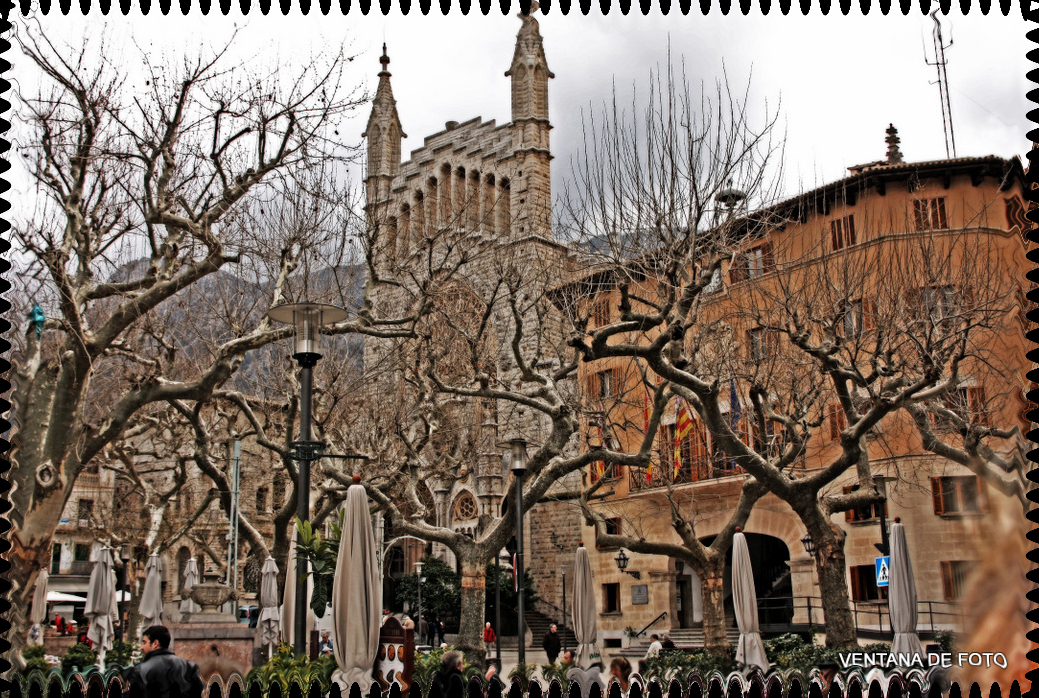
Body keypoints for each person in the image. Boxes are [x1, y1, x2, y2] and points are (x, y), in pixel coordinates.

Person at [125, 625, 205, 698]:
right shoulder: (189, 667)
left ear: (155, 643)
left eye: (144, 642)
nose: (142, 647)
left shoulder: (140, 670)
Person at [430, 650, 497, 698]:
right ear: (457, 665)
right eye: (462, 663)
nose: (463, 666)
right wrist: (486, 679)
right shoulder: (455, 679)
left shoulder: (438, 678)